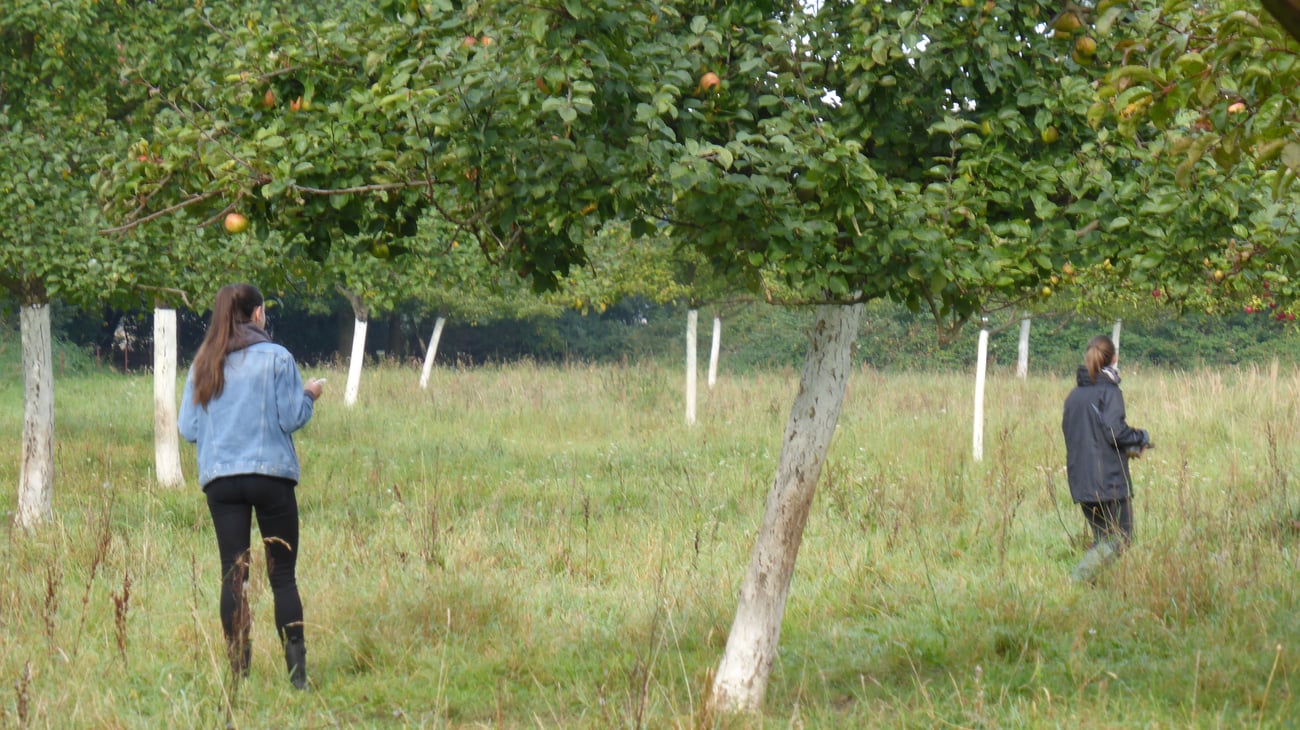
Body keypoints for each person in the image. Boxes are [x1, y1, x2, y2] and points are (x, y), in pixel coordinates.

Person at [179, 283, 325, 689]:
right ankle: (297, 677)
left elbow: (187, 428)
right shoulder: (277, 358)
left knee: (233, 575)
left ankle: (238, 674)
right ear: (258, 313)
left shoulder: (204, 363)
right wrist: (310, 395)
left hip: (221, 481)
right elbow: (292, 417)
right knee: (283, 576)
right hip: (271, 477)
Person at [1061, 335, 1150, 583]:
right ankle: (1076, 581)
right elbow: (1113, 432)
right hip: (1108, 481)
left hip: (1080, 479)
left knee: (1102, 538)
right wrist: (1140, 437)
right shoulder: (1110, 392)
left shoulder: (1074, 396)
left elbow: (1077, 434)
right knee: (1121, 537)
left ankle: (1089, 589)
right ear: (1114, 358)